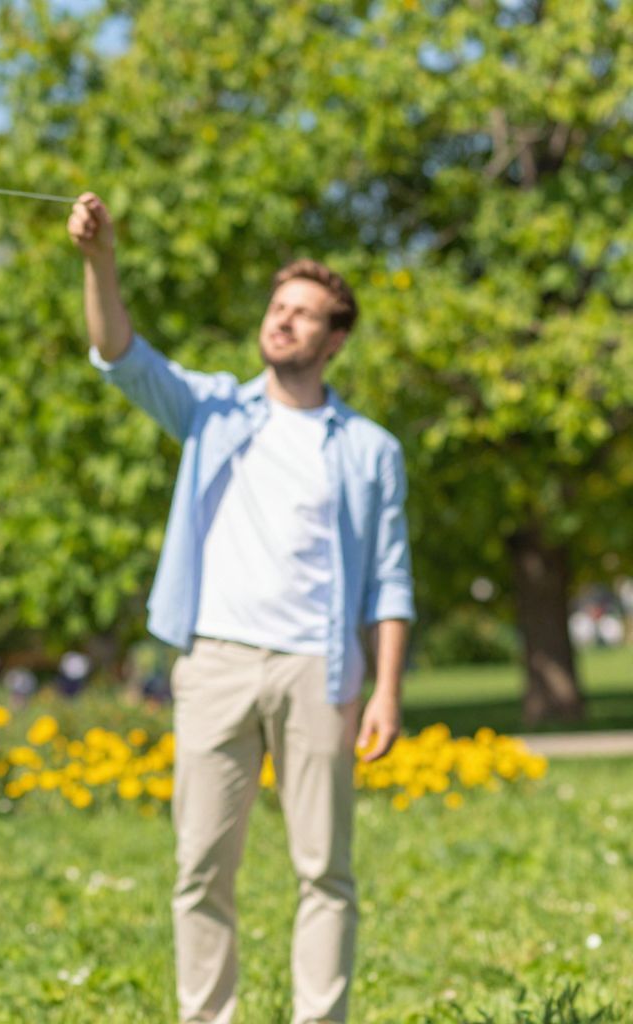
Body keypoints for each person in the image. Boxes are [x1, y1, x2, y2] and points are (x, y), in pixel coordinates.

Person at [68, 193, 415, 1024]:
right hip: (216, 662)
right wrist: (99, 260)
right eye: (278, 306)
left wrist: (387, 690)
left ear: (335, 339)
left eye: (305, 313)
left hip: (320, 672)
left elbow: (391, 581)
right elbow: (119, 353)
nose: (284, 320)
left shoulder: (370, 449)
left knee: (325, 870)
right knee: (200, 869)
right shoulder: (213, 409)